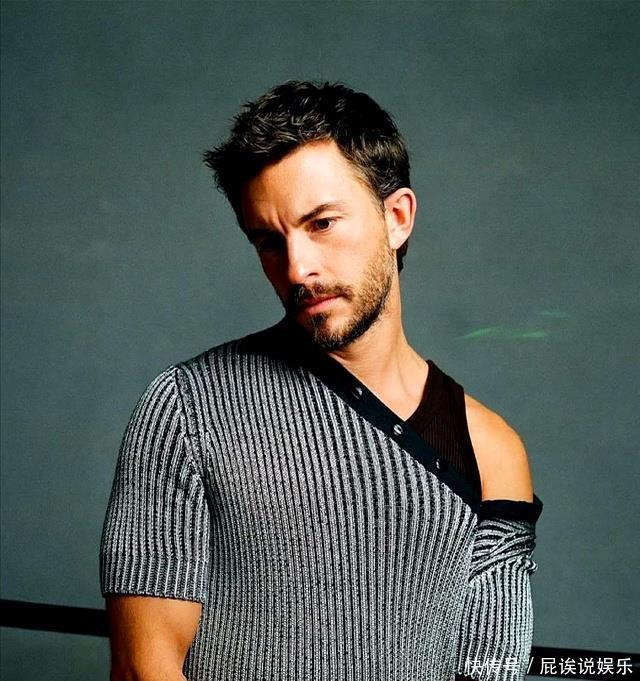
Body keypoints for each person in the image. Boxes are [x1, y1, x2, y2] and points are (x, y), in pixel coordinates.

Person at [99, 80, 543, 681]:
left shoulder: (492, 451)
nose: (297, 268)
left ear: (397, 217)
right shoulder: (187, 409)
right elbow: (143, 667)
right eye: (268, 241)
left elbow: (491, 667)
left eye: (323, 223)